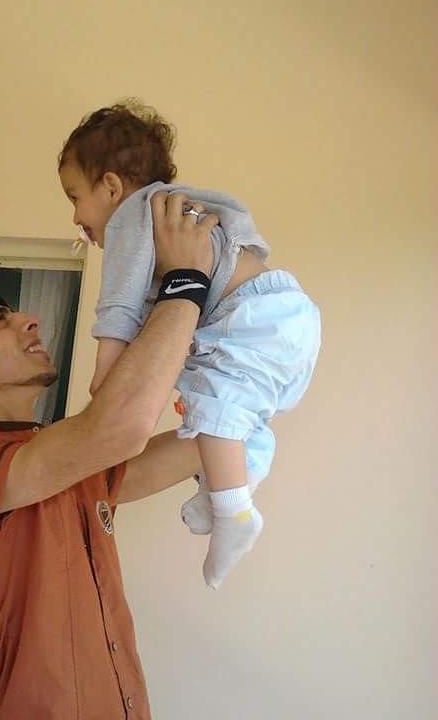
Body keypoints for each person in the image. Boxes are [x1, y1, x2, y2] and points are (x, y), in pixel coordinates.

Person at [0, 192, 217, 720]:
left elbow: (191, 449)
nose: (30, 321)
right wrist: (185, 283)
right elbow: (120, 428)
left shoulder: (62, 461)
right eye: (1, 320)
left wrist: (242, 391)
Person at [59, 100, 321, 589]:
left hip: (254, 317)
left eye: (74, 197)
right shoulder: (175, 208)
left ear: (111, 186)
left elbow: (119, 303)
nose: (75, 216)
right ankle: (230, 483)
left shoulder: (133, 215)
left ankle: (234, 510)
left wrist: (106, 370)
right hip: (276, 316)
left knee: (214, 404)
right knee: (220, 409)